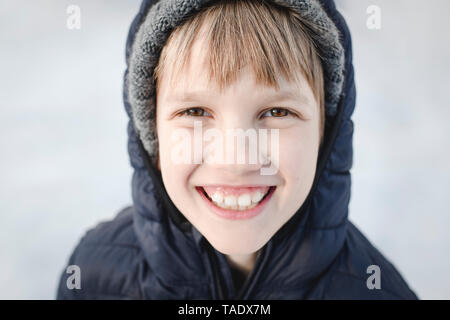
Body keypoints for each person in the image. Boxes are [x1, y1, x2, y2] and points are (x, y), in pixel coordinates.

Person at [56, 0, 418, 299]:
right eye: (195, 112)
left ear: (326, 132)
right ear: (152, 135)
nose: (236, 159)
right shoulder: (93, 276)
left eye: (277, 112)